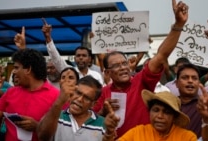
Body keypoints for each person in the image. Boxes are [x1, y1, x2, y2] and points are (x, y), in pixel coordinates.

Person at [92, 0, 189, 137]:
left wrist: (178, 25)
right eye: (116, 65)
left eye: (124, 63)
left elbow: (161, 56)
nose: (123, 68)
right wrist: (103, 111)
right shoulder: (103, 93)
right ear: (107, 72)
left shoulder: (141, 82)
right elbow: (90, 121)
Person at [0, 47, 59, 140]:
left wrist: (38, 127)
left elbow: (64, 131)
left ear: (28, 69)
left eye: (16, 67)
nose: (14, 71)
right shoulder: (11, 92)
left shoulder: (57, 97)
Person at [103, 89, 197, 141]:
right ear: (149, 112)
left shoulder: (187, 137)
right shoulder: (138, 132)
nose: (160, 116)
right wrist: (109, 133)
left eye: (167, 112)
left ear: (174, 117)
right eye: (156, 110)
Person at [37, 73, 104, 141]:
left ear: (93, 104)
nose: (79, 99)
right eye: (78, 93)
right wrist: (59, 101)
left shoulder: (103, 125)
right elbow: (42, 137)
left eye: (86, 98)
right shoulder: (55, 116)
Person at [41, 18, 104, 85]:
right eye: (78, 55)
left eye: (84, 55)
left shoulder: (96, 75)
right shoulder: (69, 71)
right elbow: (56, 58)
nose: (81, 58)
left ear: (89, 59)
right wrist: (48, 37)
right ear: (74, 58)